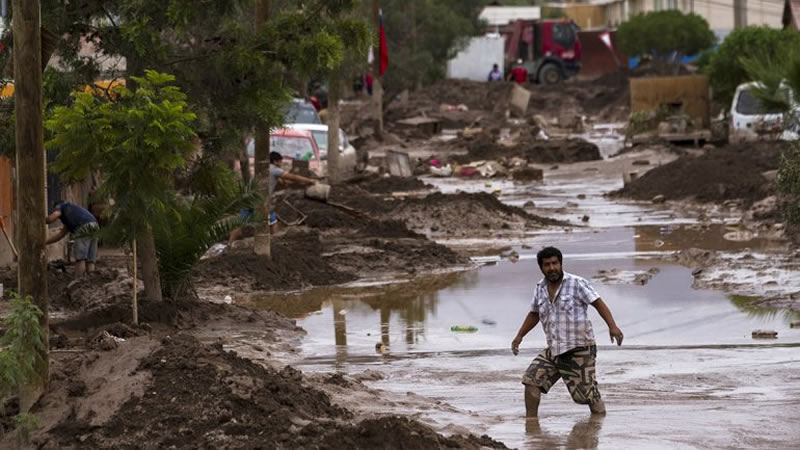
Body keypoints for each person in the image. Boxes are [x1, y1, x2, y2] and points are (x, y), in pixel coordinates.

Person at [511, 246, 624, 417]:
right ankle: (531, 424)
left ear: (561, 263)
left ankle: (598, 425)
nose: (552, 268)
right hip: (554, 349)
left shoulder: (576, 283)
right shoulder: (540, 288)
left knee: (586, 396)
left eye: (555, 263)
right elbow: (534, 314)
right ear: (541, 267)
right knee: (531, 381)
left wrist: (613, 326)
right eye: (547, 264)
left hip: (579, 348)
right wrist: (519, 336)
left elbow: (598, 303)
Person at [228, 151, 316, 244]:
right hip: (259, 200)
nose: (281, 164)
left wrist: (282, 181)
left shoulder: (264, 169)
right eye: (280, 162)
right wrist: (309, 181)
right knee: (273, 221)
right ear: (275, 161)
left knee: (241, 222)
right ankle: (275, 242)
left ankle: (229, 244)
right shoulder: (274, 169)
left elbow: (279, 181)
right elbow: (292, 177)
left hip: (247, 198)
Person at [46, 201, 100, 277]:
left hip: (83, 226)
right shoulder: (71, 214)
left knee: (80, 258)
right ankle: (91, 280)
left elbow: (51, 218)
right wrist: (45, 242)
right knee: (90, 259)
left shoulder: (60, 206)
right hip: (95, 225)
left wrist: (41, 221)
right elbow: (61, 234)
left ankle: (78, 280)